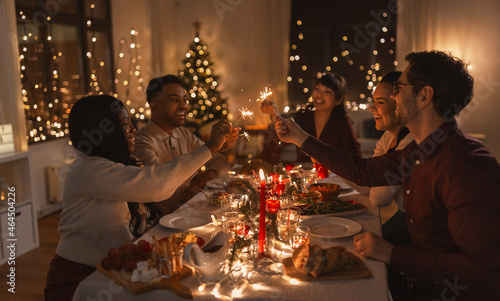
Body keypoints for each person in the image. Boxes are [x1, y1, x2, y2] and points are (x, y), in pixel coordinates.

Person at [275, 51, 500, 300]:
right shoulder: (419, 150)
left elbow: (485, 269)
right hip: (421, 285)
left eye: (398, 88)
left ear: (424, 96)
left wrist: (393, 254)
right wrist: (299, 137)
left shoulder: (466, 166)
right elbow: (363, 171)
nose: (393, 96)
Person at [44, 95, 237, 301]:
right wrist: (210, 148)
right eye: (126, 125)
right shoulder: (85, 170)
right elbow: (158, 185)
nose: (133, 130)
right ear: (104, 130)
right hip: (82, 280)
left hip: (121, 271)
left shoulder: (125, 164)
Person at [133, 74, 239, 215]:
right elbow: (159, 187)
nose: (184, 106)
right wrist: (212, 146)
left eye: (184, 100)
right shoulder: (141, 141)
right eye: (174, 100)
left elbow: (221, 162)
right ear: (155, 107)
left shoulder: (184, 134)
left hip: (189, 216)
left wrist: (200, 181)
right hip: (158, 226)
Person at [260, 72, 362, 164]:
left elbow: (355, 157)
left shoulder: (342, 122)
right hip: (304, 175)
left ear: (338, 100)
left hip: (331, 177)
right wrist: (274, 112)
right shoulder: (303, 118)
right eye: (317, 89)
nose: (319, 95)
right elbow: (282, 123)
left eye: (327, 92)